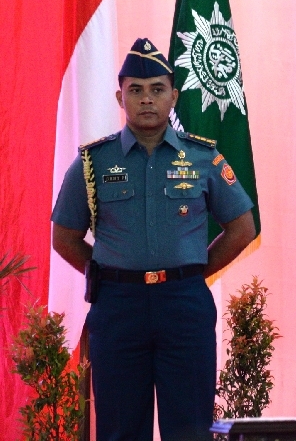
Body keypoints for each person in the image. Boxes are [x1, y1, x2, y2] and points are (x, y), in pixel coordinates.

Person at [51, 38, 256, 441]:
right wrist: (106, 272)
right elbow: (64, 236)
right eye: (136, 90)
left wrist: (194, 270)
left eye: (158, 89)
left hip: (184, 307)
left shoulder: (204, 159)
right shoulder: (93, 162)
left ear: (174, 96)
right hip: (118, 309)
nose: (147, 100)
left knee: (191, 429)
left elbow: (242, 227)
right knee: (120, 430)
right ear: (120, 96)